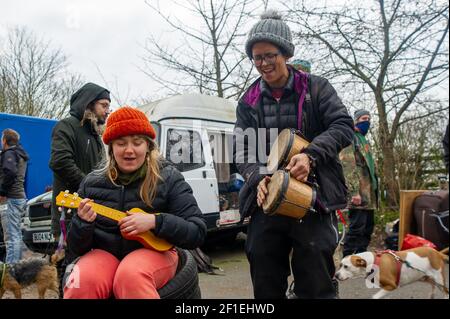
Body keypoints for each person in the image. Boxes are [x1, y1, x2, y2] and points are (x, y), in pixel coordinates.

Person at [233, 10, 354, 299]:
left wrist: (311, 155)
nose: (263, 63)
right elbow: (241, 147)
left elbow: (343, 126)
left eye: (269, 55)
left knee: (315, 268)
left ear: (286, 53)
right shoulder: (247, 101)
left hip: (314, 193)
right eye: (257, 57)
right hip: (269, 198)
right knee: (261, 262)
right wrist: (256, 176)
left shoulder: (316, 88)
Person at [63, 106, 206, 299]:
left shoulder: (169, 178)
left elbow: (196, 231)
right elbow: (74, 247)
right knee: (81, 281)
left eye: (137, 143)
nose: (129, 150)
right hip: (105, 254)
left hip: (156, 253)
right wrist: (82, 223)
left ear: (148, 146)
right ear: (111, 148)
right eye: (121, 143)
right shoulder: (91, 183)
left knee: (131, 276)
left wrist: (155, 222)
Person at [49, 82, 111, 239]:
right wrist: (88, 186)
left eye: (108, 107)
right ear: (89, 104)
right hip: (69, 214)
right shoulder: (66, 126)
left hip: (93, 215)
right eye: (104, 105)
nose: (107, 111)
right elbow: (60, 162)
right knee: (68, 262)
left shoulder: (95, 135)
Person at [340, 109, 379, 257]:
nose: (367, 121)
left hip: (370, 193)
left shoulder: (365, 140)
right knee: (357, 227)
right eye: (363, 118)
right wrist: (354, 191)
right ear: (356, 120)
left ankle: (362, 257)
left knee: (368, 228)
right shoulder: (350, 137)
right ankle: (347, 258)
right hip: (359, 193)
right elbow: (348, 166)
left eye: (369, 118)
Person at [0, 129, 29, 264]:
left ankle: (10, 272)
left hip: (11, 199)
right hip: (19, 197)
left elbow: (10, 172)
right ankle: (16, 268)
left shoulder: (10, 153)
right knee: (16, 235)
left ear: (5, 140)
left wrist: (2, 192)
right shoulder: (20, 154)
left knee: (11, 238)